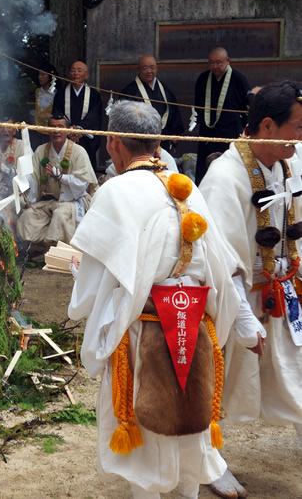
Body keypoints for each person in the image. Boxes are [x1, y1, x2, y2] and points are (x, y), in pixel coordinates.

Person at [68, 99, 242, 498]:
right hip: (195, 326)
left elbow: (93, 287)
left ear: (114, 143)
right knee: (189, 435)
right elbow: (221, 270)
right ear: (159, 143)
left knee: (145, 447)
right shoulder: (189, 189)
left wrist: (81, 273)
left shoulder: (115, 192)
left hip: (142, 332)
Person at [199, 80, 302, 498]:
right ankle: (207, 461)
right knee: (216, 382)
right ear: (266, 126)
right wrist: (242, 318)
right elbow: (218, 255)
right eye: (297, 126)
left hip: (285, 291)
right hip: (236, 297)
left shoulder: (288, 163)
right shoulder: (225, 175)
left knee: (298, 370)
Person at [18, 114, 97, 257]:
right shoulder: (41, 150)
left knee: (61, 214)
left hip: (73, 200)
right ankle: (39, 249)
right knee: (29, 216)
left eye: (60, 127)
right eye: (52, 127)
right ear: (48, 130)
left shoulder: (79, 151)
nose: (56, 131)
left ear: (68, 130)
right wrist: (21, 176)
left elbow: (82, 184)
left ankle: (57, 252)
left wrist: (61, 177)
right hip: (48, 200)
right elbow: (34, 178)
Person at [194, 47, 251, 183]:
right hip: (207, 132)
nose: (215, 66)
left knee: (229, 168)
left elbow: (246, 107)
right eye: (211, 62)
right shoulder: (203, 78)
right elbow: (198, 105)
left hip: (230, 132)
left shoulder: (239, 80)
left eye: (219, 62)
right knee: (205, 169)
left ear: (228, 61)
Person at [119, 55, 184, 154]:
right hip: (140, 141)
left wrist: (173, 134)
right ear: (138, 69)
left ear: (157, 68)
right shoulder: (129, 92)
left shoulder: (165, 90)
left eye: (152, 67)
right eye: (144, 68)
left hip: (163, 140)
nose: (149, 71)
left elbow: (173, 113)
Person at [52, 61, 103, 169]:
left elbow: (94, 118)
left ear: (86, 75)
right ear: (69, 74)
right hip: (65, 137)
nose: (75, 73)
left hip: (85, 139)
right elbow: (57, 114)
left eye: (79, 71)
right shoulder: (60, 94)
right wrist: (69, 132)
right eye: (72, 70)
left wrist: (78, 131)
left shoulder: (94, 95)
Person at [31, 63, 57, 148]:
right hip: (37, 131)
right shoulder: (37, 91)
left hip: (50, 132)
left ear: (50, 76)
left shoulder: (56, 93)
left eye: (43, 74)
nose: (40, 77)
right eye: (39, 74)